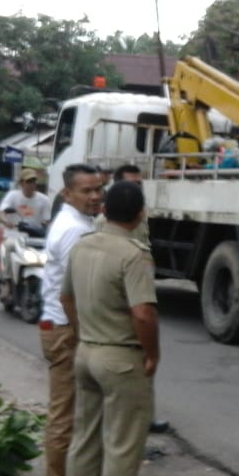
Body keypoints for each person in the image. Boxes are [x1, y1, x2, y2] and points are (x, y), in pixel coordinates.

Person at [60, 180, 160, 476]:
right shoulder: (134, 255)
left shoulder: (84, 245)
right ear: (139, 214)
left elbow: (65, 297)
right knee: (122, 446)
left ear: (103, 210)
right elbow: (144, 313)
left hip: (86, 352)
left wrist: (80, 332)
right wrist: (152, 354)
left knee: (84, 440)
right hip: (120, 358)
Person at [38, 163, 104, 476]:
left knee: (73, 413)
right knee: (63, 415)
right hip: (66, 328)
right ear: (68, 193)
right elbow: (73, 294)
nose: (94, 196)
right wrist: (85, 335)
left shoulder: (76, 223)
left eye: (98, 190)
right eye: (86, 191)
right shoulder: (74, 231)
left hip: (60, 325)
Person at [93, 164, 169, 435]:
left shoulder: (139, 217)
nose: (138, 188)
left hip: (138, 287)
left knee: (142, 362)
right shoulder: (104, 224)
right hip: (120, 298)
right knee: (131, 361)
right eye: (132, 184)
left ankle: (145, 416)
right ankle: (123, 421)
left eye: (139, 183)